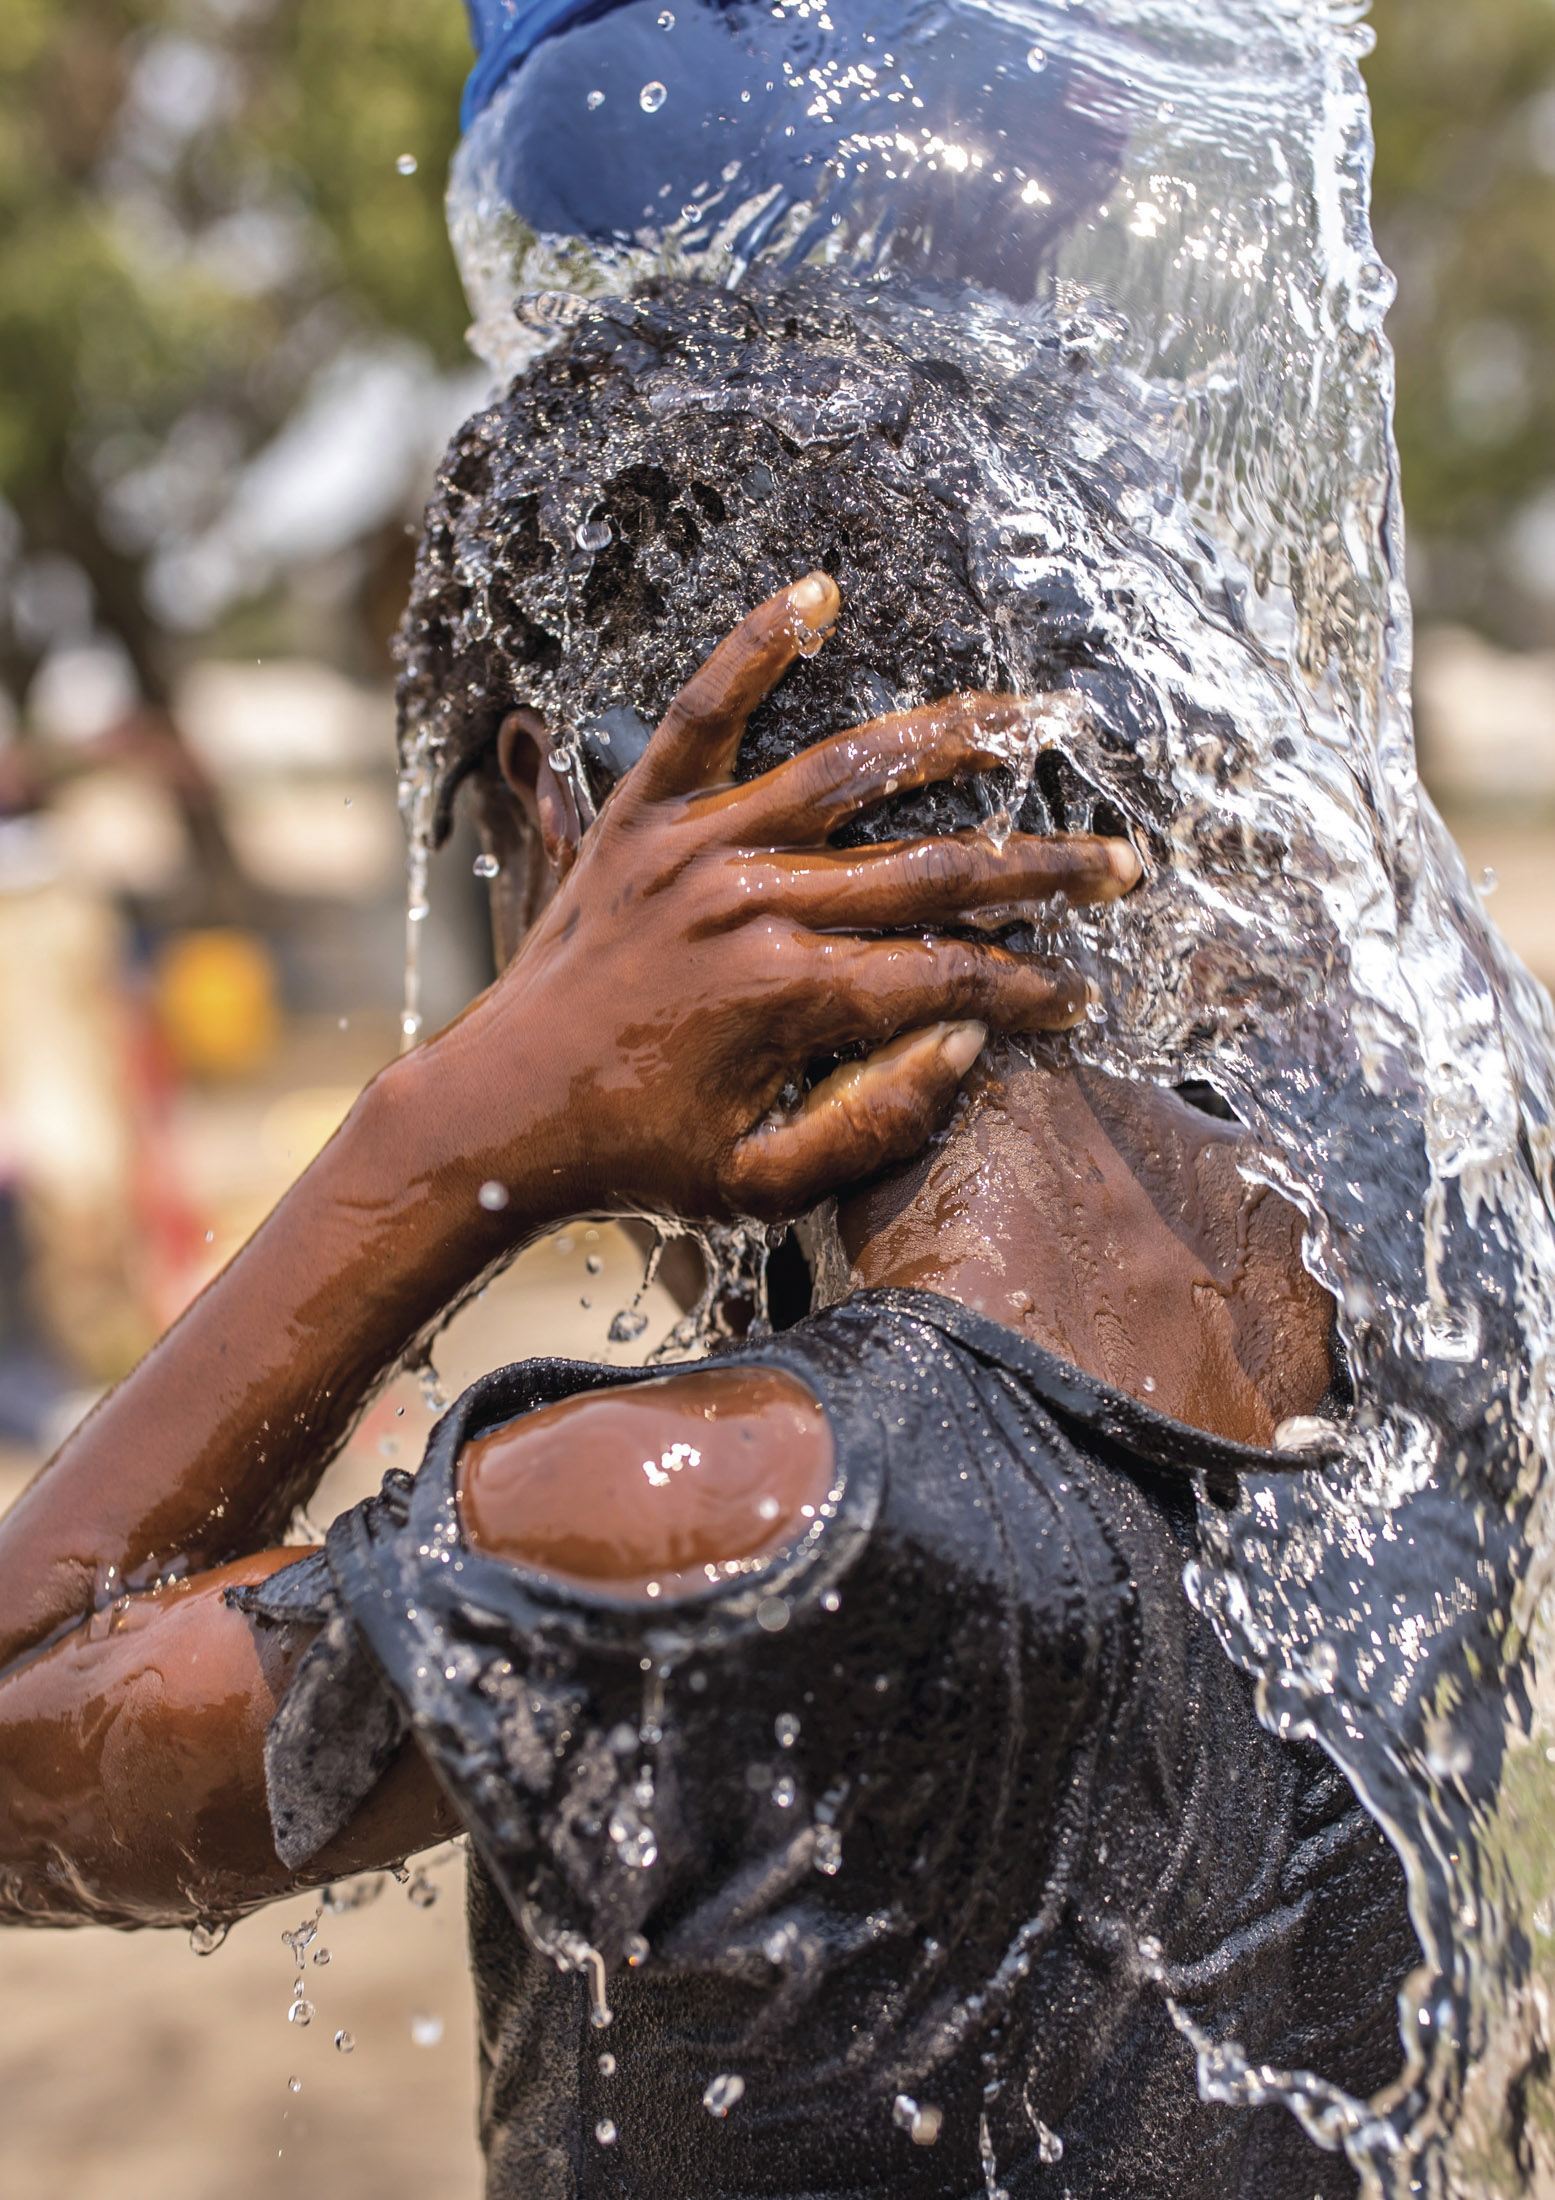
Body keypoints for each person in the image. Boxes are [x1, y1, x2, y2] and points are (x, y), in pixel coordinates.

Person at [0, 284, 1420, 2197]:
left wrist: (460, 1132)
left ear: (555, 810)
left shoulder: (722, 1505)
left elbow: (17, 1746)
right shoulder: (1359, 1292)